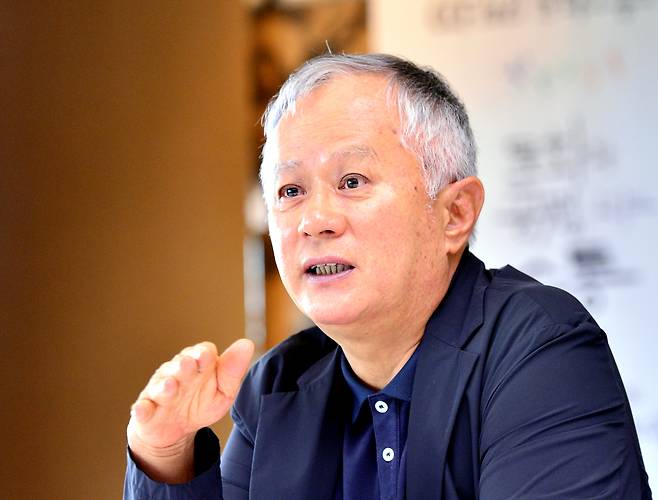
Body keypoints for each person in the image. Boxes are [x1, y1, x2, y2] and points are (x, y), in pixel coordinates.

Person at [124, 53, 652, 499]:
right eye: (290, 192)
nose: (314, 220)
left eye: (352, 181)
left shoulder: (540, 348)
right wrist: (166, 454)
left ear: (455, 214)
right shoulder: (278, 384)